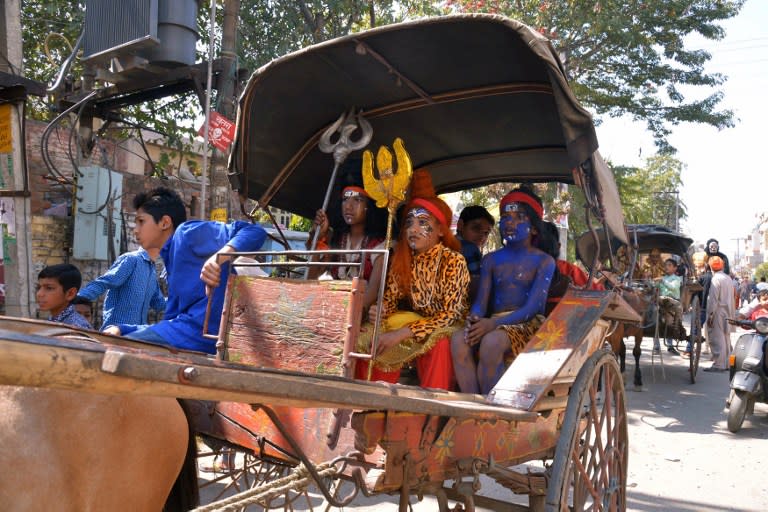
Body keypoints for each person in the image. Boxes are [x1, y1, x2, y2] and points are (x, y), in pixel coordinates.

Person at [102, 187, 267, 354]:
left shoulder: (186, 233)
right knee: (114, 341)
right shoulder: (169, 263)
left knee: (117, 349)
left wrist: (218, 258)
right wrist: (123, 329)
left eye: (141, 221)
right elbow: (171, 323)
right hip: (188, 333)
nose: (135, 229)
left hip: (207, 335)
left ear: (164, 223)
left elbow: (254, 231)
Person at [354, 169, 469, 391]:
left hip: (446, 325)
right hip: (412, 322)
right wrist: (380, 310)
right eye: (409, 223)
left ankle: (431, 406)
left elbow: (450, 315)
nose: (413, 229)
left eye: (423, 223)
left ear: (441, 231)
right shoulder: (404, 259)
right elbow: (391, 298)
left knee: (440, 342)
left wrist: (403, 333)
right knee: (366, 337)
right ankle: (369, 400)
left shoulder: (454, 261)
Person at [451, 187, 555, 394]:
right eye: (506, 216)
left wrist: (493, 323)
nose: (510, 222)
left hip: (527, 324)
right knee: (458, 340)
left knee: (492, 342)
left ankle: (494, 408)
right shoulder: (491, 260)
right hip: (494, 322)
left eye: (519, 217)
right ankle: (472, 403)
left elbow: (533, 307)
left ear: (534, 228)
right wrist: (474, 319)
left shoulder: (544, 261)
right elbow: (481, 302)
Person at [308, 164, 388, 313]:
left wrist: (345, 315)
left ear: (369, 206)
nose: (348, 206)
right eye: (345, 200)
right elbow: (311, 277)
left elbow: (372, 294)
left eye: (357, 200)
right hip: (330, 310)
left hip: (360, 316)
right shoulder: (336, 240)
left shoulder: (380, 245)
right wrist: (318, 237)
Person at [76, 248, 166, 331]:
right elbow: (103, 283)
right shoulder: (132, 260)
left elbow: (159, 304)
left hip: (136, 336)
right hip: (115, 334)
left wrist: (179, 298)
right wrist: (73, 302)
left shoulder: (152, 269)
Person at [36, 263, 93, 330]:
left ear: (70, 294)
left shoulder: (76, 327)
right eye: (38, 287)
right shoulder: (54, 320)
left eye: (49, 288)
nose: (39, 294)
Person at [455, 205, 494, 301]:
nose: (482, 237)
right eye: (476, 228)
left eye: (486, 233)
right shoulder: (469, 248)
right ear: (460, 225)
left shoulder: (447, 244)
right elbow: (478, 285)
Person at [704, 256, 735, 372]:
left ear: (710, 266)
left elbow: (713, 299)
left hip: (718, 311)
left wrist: (710, 314)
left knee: (717, 337)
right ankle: (726, 364)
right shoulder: (728, 278)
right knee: (726, 337)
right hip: (728, 311)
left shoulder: (716, 279)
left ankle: (719, 364)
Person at [654, 258, 684, 355]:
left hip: (673, 303)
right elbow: (655, 288)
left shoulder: (677, 279)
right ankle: (656, 346)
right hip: (661, 302)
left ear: (675, 268)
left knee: (670, 323)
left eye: (669, 265)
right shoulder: (663, 278)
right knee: (655, 320)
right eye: (666, 265)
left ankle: (670, 345)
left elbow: (673, 287)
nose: (666, 267)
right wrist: (651, 283)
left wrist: (662, 280)